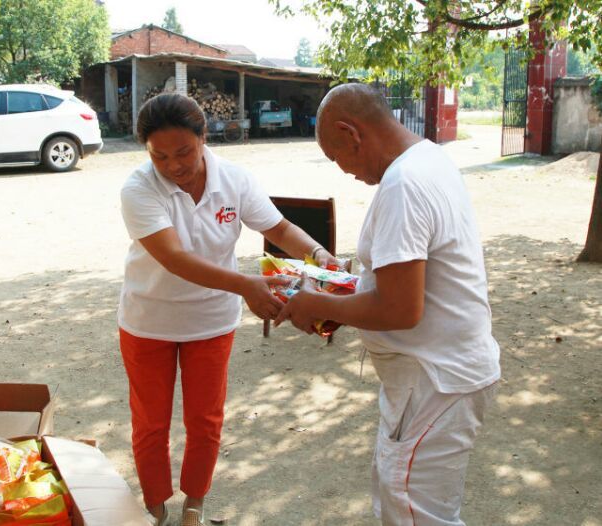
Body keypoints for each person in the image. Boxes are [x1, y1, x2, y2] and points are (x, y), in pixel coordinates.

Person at [275, 83, 501, 525]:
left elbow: (400, 309)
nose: (343, 170)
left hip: (434, 382)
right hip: (432, 378)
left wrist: (315, 303)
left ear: (351, 133)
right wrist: (343, 293)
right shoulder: (429, 158)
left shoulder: (404, 185)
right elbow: (405, 285)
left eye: (335, 156)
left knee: (415, 514)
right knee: (400, 502)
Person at [118, 93, 337, 526]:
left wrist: (318, 254)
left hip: (211, 321)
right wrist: (246, 286)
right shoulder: (138, 188)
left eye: (184, 151)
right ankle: (156, 507)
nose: (174, 165)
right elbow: (174, 258)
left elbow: (278, 227)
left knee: (205, 419)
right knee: (150, 423)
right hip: (148, 321)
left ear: (204, 137)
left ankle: (194, 503)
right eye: (160, 156)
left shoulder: (233, 180)